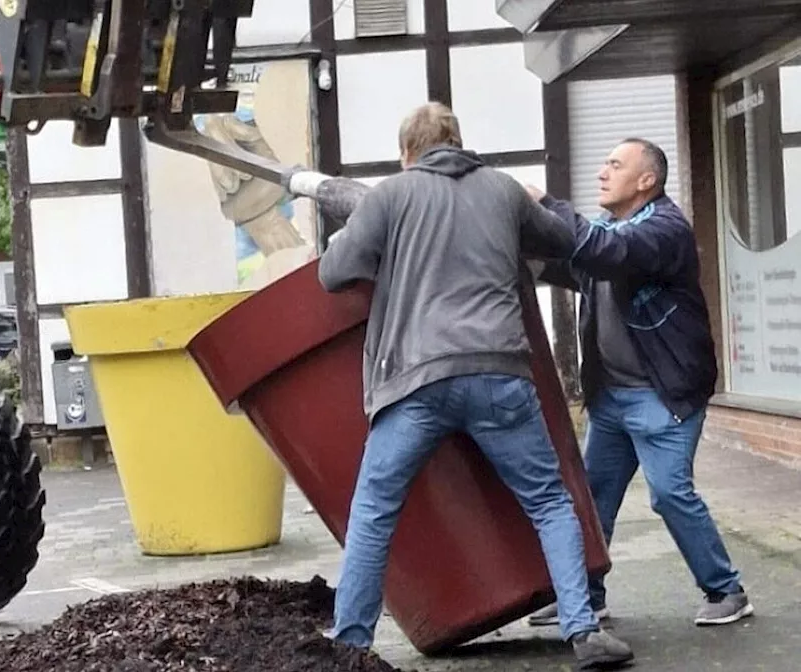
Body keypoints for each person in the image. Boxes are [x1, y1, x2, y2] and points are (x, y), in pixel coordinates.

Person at [316, 101, 634, 669]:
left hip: (415, 379)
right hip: (498, 373)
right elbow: (560, 240)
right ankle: (583, 632)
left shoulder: (390, 195)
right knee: (549, 501)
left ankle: (351, 644)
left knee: (374, 508)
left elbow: (333, 274)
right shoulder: (504, 190)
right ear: (459, 142)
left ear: (406, 152)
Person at [522, 138, 753, 628]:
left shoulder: (664, 230)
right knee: (593, 496)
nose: (602, 173)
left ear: (646, 180)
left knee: (669, 492)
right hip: (613, 398)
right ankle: (586, 596)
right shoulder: (610, 228)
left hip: (663, 395)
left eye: (614, 165)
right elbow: (579, 265)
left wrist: (545, 206)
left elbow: (609, 254)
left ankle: (726, 590)